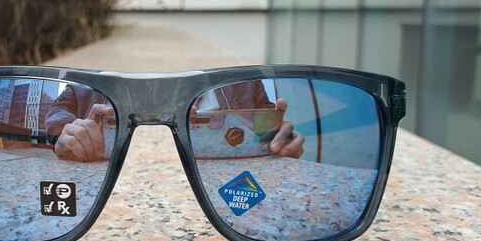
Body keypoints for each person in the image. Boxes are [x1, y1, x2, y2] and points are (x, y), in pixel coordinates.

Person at [45, 82, 305, 162]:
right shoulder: (84, 86)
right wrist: (68, 135)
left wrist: (277, 143)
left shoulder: (246, 83)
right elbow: (59, 110)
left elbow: (266, 131)